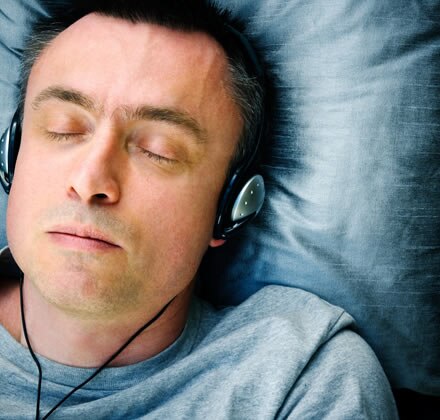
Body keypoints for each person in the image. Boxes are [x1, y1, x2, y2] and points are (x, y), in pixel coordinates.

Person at [0, 0, 398, 418]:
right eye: (64, 129)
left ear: (231, 206)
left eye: (159, 151)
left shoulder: (301, 378)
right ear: (11, 156)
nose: (90, 182)